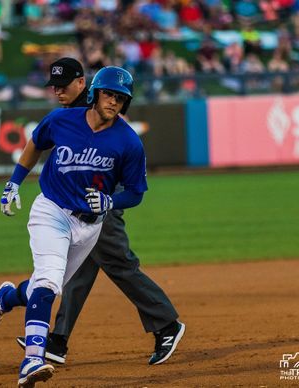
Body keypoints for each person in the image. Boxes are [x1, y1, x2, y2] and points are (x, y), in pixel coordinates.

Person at [0, 66, 149, 387]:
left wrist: (112, 203)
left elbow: (136, 193)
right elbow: (35, 143)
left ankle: (6, 299)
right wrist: (13, 183)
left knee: (46, 286)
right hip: (51, 211)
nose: (114, 102)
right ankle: (32, 359)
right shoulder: (62, 120)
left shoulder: (128, 143)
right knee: (49, 282)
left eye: (121, 98)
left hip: (89, 228)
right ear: (96, 93)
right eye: (109, 94)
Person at [16, 57, 185, 367]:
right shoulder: (73, 112)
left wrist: (110, 202)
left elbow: (123, 165)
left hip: (100, 207)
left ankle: (166, 324)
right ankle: (58, 340)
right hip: (73, 205)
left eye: (62, 85)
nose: (57, 91)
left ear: (83, 84)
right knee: (80, 271)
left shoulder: (102, 102)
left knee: (119, 264)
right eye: (53, 85)